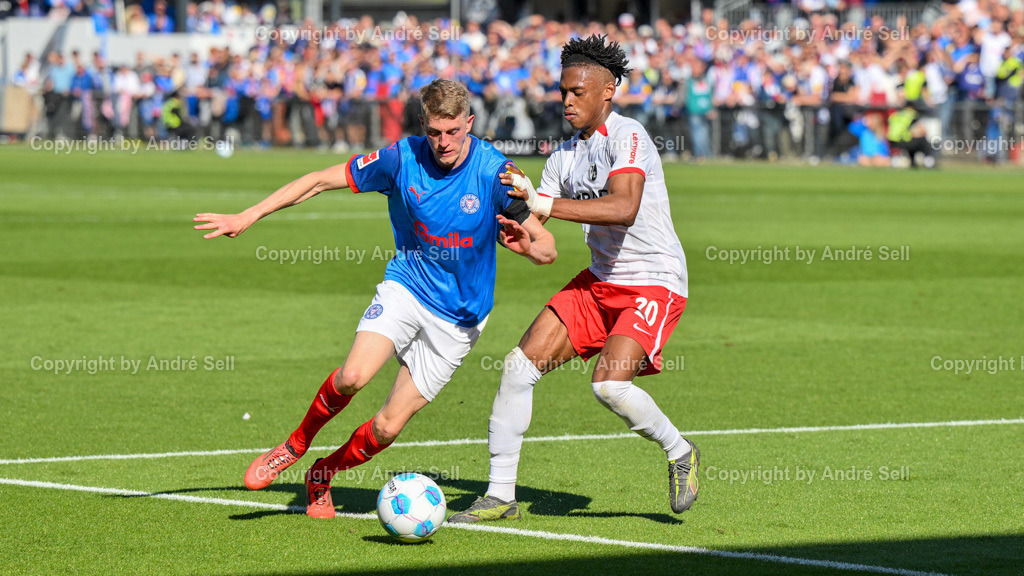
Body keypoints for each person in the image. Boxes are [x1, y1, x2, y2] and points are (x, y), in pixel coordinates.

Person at [193, 79, 556, 518]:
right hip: (407, 287)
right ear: (424, 124)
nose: (444, 143)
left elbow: (547, 249)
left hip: (460, 319)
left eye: (454, 132)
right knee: (352, 376)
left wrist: (527, 247)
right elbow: (318, 181)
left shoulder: (496, 173)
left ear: (470, 124)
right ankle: (296, 443)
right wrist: (249, 214)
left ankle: (322, 474)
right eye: (435, 132)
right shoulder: (400, 158)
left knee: (386, 427)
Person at [448, 35, 698, 524]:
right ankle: (500, 497)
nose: (566, 100)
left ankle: (679, 450)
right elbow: (540, 231)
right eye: (562, 91)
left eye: (577, 92)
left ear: (607, 91)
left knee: (608, 386)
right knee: (518, 369)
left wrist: (542, 206)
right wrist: (515, 229)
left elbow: (623, 208)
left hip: (653, 280)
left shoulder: (629, 136)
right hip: (599, 281)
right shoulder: (564, 155)